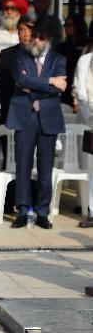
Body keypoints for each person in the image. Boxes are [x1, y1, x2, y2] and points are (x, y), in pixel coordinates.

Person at [6, 25, 67, 229]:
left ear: (48, 39)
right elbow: (21, 79)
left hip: (48, 116)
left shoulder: (59, 59)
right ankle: (22, 210)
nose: (35, 41)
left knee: (45, 167)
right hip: (25, 116)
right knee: (22, 165)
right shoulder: (21, 57)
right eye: (33, 37)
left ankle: (42, 212)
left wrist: (32, 85)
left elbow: (60, 88)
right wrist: (50, 81)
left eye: (40, 37)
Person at [0, 22, 34, 124]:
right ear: (18, 32)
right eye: (22, 30)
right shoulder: (5, 55)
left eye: (30, 30)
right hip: (10, 111)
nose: (26, 34)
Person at [74, 43, 93, 227]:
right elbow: (80, 92)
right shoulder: (85, 60)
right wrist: (91, 117)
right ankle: (92, 211)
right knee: (92, 168)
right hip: (90, 119)